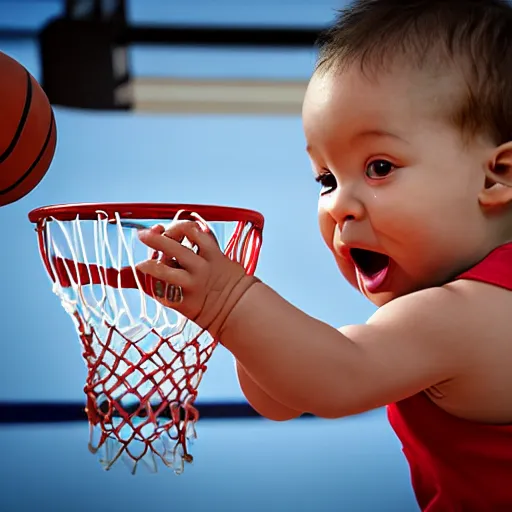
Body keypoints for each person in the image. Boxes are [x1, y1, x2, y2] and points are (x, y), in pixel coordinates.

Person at [137, 0, 512, 509]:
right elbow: (284, 397)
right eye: (326, 179)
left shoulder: (467, 313)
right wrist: (242, 329)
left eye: (379, 167)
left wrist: (228, 302)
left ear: (498, 176)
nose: (337, 205)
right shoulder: (449, 317)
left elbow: (336, 378)